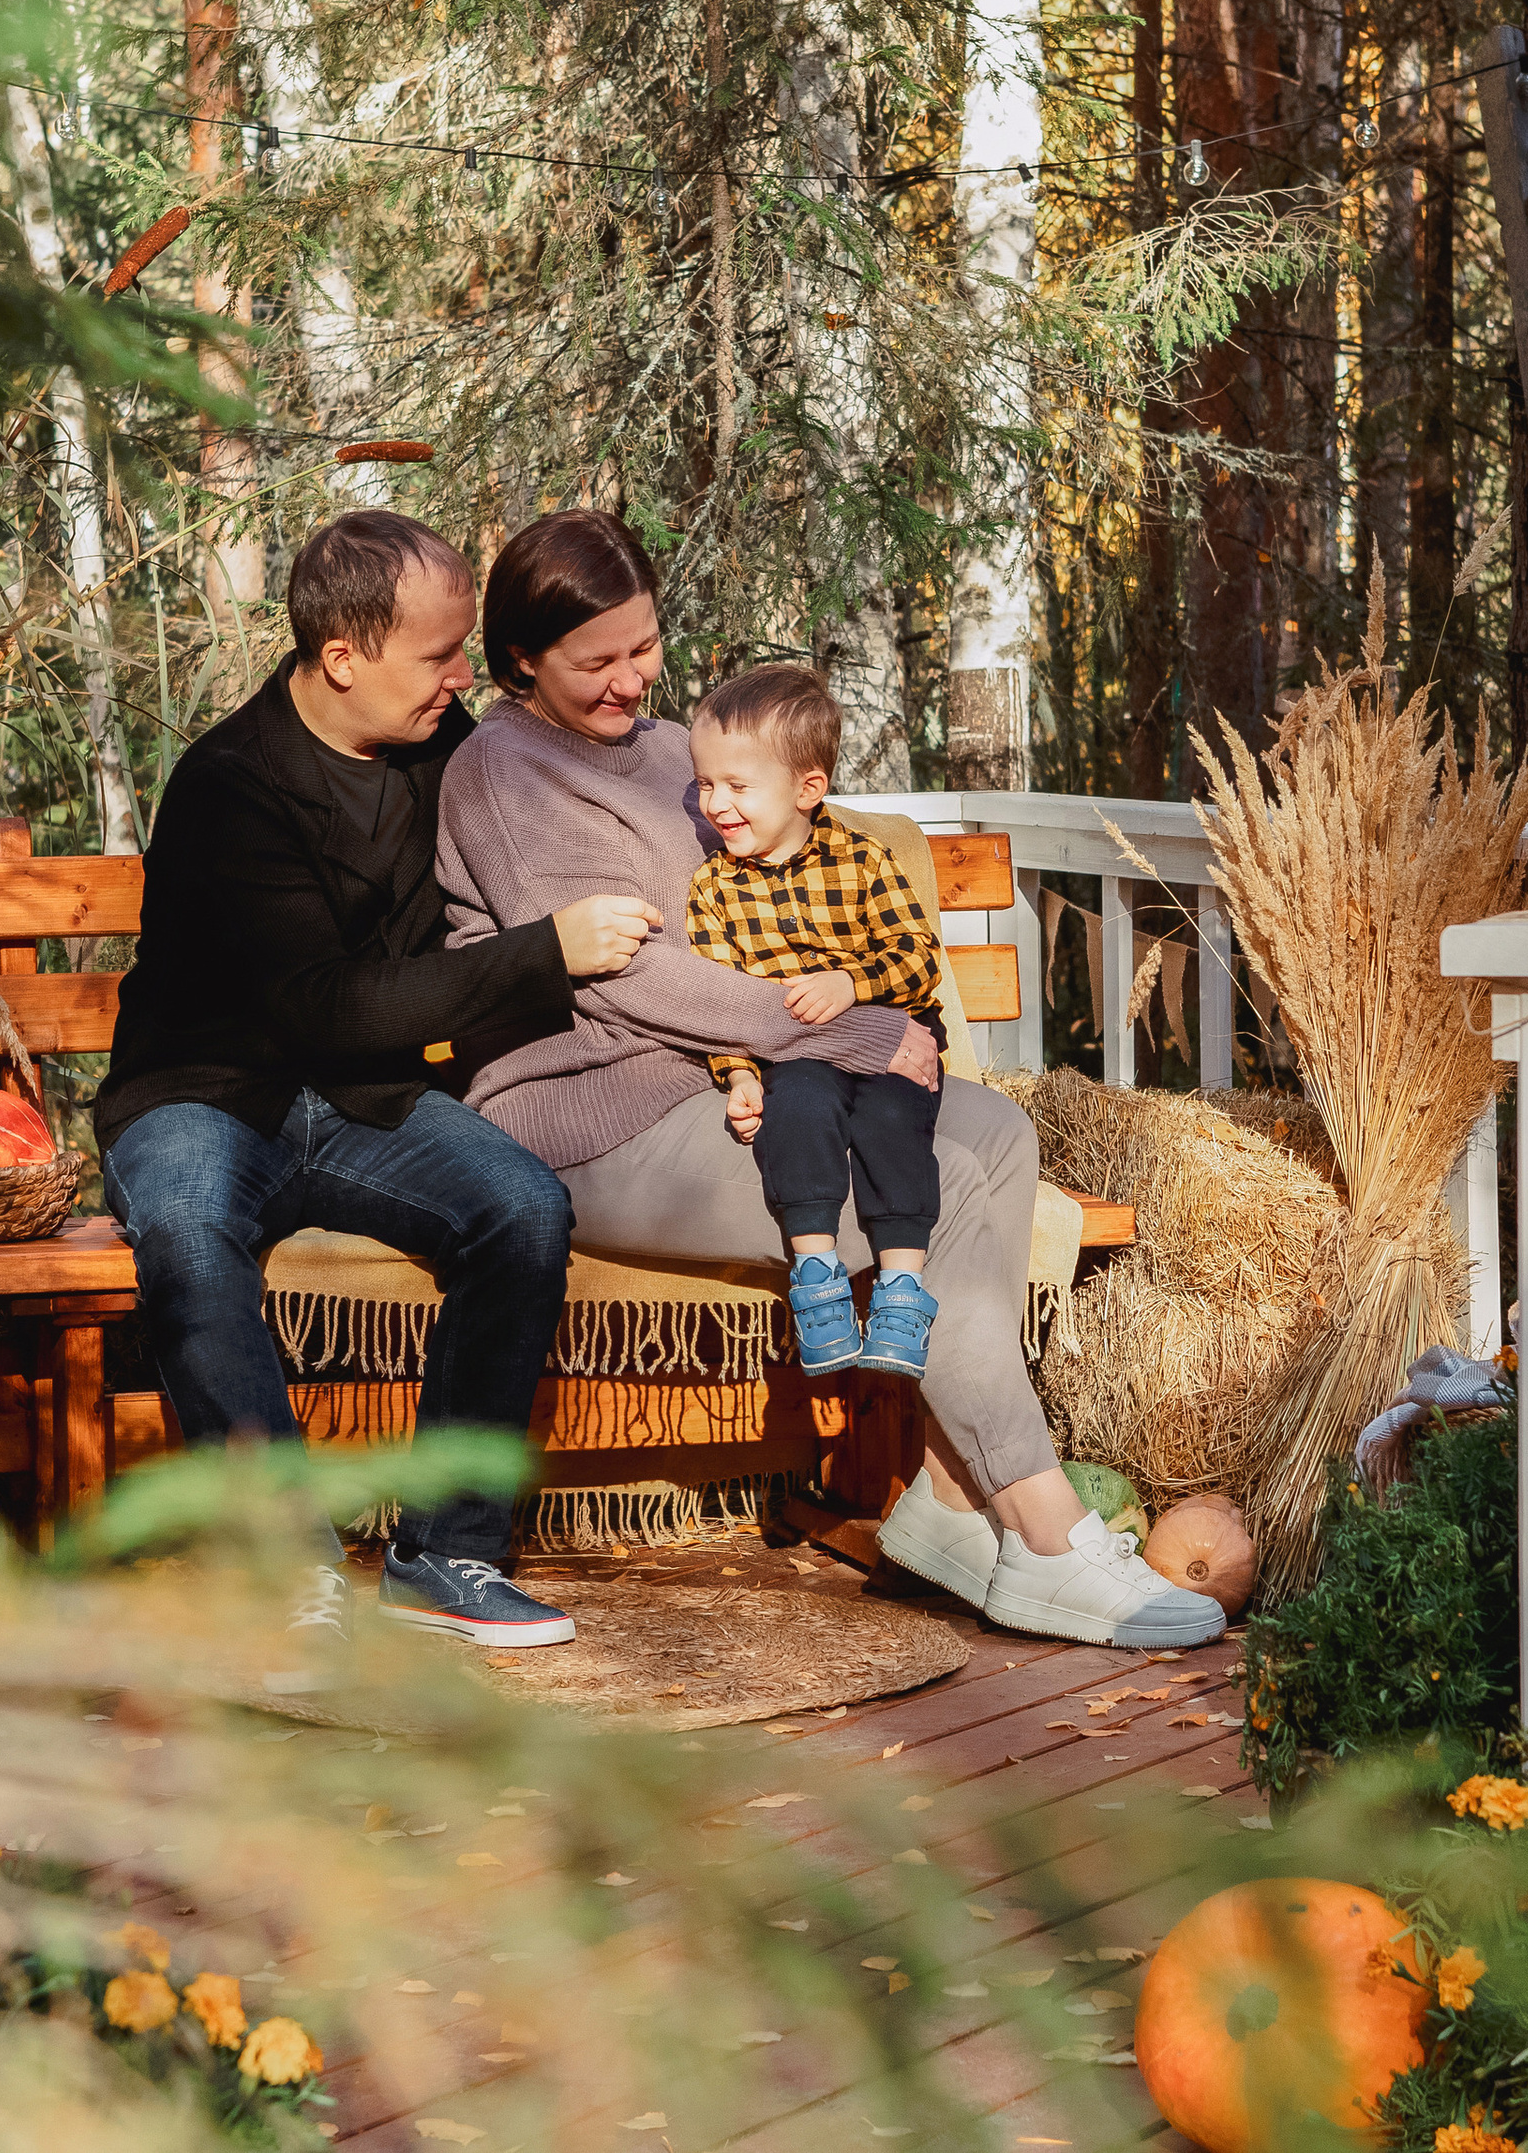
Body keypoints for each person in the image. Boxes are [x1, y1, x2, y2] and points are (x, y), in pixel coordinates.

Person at [434, 509, 1225, 1651]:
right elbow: (628, 982)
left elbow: (789, 877)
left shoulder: (669, 752)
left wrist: (866, 991)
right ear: (521, 660)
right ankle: (1043, 1531)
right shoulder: (501, 772)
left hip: (740, 1077)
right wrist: (852, 1036)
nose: (627, 681)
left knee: (993, 1132)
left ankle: (953, 1508)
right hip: (605, 1115)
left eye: (641, 647)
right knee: (940, 1182)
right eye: (592, 662)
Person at [92, 509, 667, 1665]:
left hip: (364, 1104)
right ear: (342, 656)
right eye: (438, 656)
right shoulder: (229, 786)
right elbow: (324, 1004)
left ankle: (447, 1557)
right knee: (191, 1239)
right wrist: (547, 950)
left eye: (466, 652)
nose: (462, 679)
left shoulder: (447, 750)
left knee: (521, 1207)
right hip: (202, 1093)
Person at [685, 663, 945, 1383]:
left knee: (893, 1119)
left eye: (739, 787)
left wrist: (850, 982)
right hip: (788, 1051)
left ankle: (900, 1286)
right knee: (795, 1103)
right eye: (707, 784)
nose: (717, 804)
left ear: (808, 789)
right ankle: (818, 1275)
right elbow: (718, 998)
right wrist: (737, 1074)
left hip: (890, 1036)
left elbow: (919, 961)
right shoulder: (713, 890)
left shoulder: (864, 862)